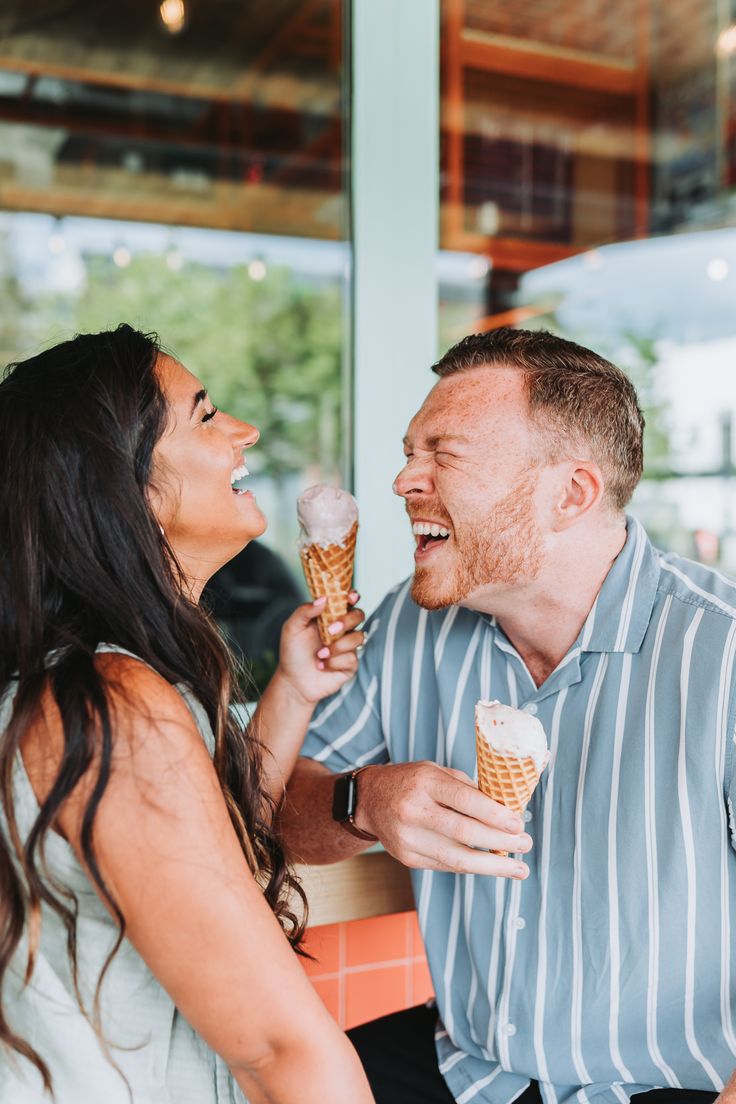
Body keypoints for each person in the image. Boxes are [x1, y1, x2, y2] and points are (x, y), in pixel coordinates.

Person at [279, 327, 736, 1104]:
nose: (401, 481)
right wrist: (364, 801)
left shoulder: (721, 652)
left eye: (443, 455)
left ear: (573, 494)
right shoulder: (407, 625)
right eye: (409, 450)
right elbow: (281, 800)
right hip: (471, 1069)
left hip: (674, 1086)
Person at [0, 325, 373, 1104]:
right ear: (127, 487)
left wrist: (292, 692)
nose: (246, 432)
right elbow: (281, 1049)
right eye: (205, 417)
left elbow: (217, 844)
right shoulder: (109, 707)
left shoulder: (107, 683)